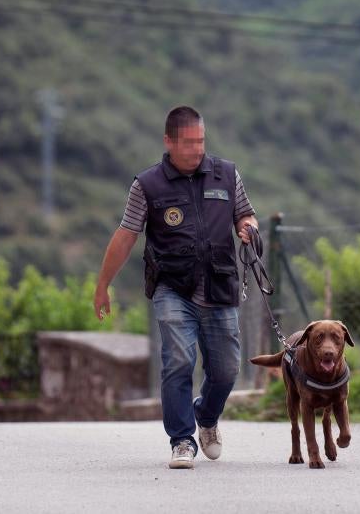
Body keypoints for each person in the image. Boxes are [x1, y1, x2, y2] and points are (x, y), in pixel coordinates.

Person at [93, 106, 258, 469]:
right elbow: (125, 236)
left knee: (227, 369)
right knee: (178, 360)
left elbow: (245, 213)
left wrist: (248, 227)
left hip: (219, 284)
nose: (197, 149)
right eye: (188, 143)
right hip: (172, 287)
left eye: (201, 141)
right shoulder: (147, 185)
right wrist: (103, 284)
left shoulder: (227, 175)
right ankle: (182, 440)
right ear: (168, 142)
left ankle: (207, 417)